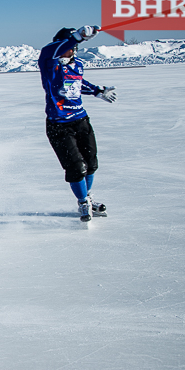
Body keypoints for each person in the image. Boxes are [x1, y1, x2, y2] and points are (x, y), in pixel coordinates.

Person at [38, 25, 117, 222]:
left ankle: (87, 197)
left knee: (91, 163)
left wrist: (98, 91)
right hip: (59, 125)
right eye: (69, 46)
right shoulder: (49, 63)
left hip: (81, 120)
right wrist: (77, 36)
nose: (72, 50)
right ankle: (82, 202)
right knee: (75, 167)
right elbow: (50, 50)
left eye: (73, 47)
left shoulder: (77, 64)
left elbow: (78, 83)